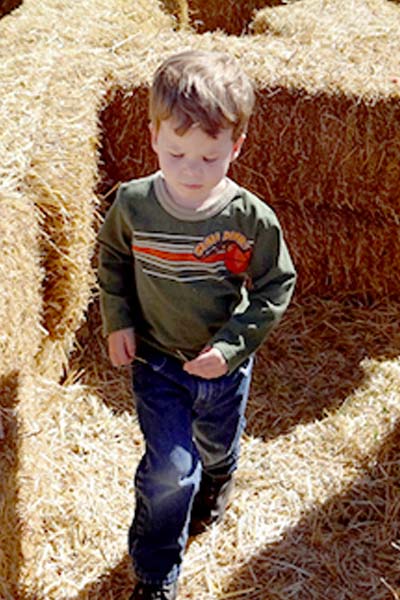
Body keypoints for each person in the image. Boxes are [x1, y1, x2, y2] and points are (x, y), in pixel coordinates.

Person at [97, 49, 296, 600]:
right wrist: (119, 320)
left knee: (215, 448)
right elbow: (112, 259)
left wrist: (231, 349)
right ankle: (156, 575)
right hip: (157, 363)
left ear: (236, 146)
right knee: (170, 473)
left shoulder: (249, 218)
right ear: (153, 135)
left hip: (221, 370)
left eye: (210, 158)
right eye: (176, 151)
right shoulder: (134, 205)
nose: (190, 170)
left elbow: (276, 286)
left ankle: (220, 476)